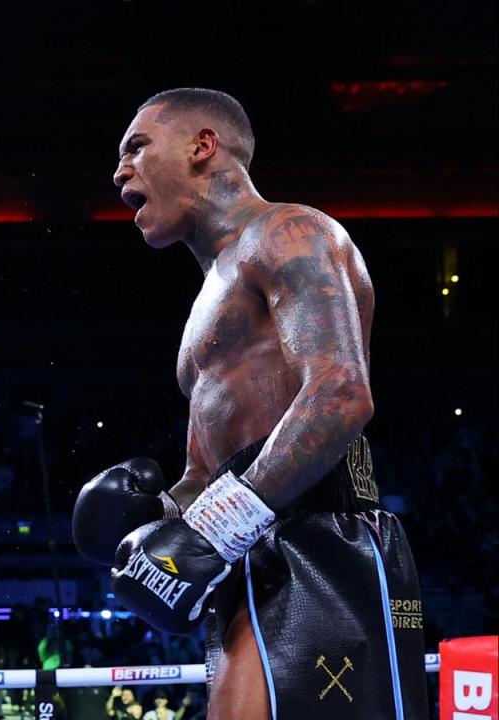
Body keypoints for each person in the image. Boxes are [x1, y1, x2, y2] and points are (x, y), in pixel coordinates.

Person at [73, 88, 428, 719]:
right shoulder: (208, 300)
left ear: (202, 146)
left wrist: (213, 526)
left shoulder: (290, 232)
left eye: (136, 147)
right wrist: (156, 517)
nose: (119, 171)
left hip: (323, 534)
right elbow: (204, 476)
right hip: (246, 548)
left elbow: (342, 393)